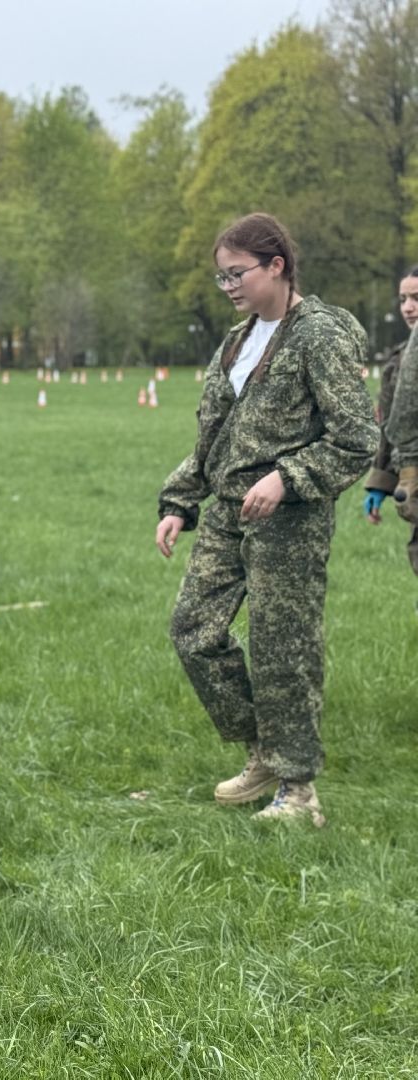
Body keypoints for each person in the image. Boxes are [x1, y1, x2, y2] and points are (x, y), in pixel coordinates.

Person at [155, 213, 377, 826]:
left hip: (290, 521)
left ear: (276, 265)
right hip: (227, 512)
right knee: (193, 632)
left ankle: (298, 790)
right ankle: (263, 753)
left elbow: (357, 438)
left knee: (283, 650)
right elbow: (214, 438)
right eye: (221, 277)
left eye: (237, 274)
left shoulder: (320, 335)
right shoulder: (236, 340)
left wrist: (287, 479)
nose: (228, 286)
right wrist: (179, 502)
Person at [363, 266, 418, 579]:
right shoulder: (398, 361)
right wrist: (381, 482)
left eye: (416, 298)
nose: (408, 307)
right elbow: (389, 428)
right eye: (403, 299)